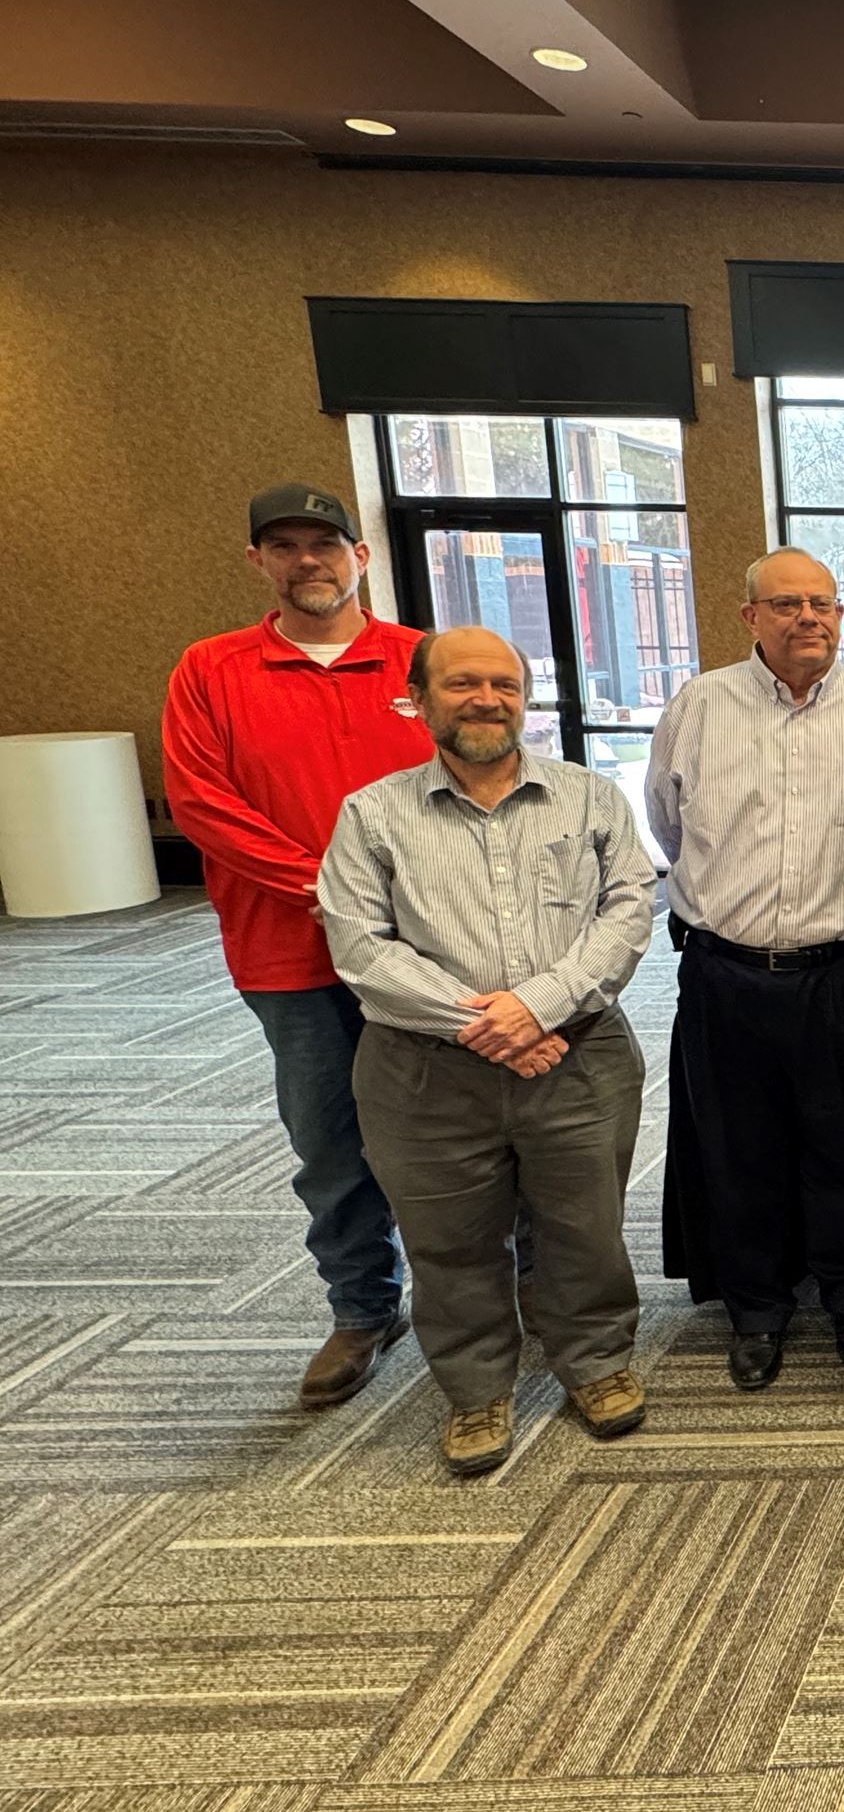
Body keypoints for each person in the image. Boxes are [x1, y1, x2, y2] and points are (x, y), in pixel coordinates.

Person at [318, 626, 656, 1477]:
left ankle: (596, 1362)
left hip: (576, 1055)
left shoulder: (590, 798)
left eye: (504, 685)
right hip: (424, 1069)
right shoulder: (373, 813)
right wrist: (485, 1023)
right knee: (449, 1238)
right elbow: (360, 946)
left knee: (585, 1226)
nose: (486, 700)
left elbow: (627, 913)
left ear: (526, 698)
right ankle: (476, 1391)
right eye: (463, 684)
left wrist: (538, 1007)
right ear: (420, 698)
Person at [162, 483, 428, 1410]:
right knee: (330, 1140)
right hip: (292, 955)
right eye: (286, 546)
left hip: (431, 954)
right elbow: (201, 805)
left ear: (361, 556)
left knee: (467, 1131)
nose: (309, 561)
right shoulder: (212, 670)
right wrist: (321, 886)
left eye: (327, 543)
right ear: (258, 562)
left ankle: (503, 1295)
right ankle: (363, 1308)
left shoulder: (422, 662)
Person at [649, 548, 844, 1391]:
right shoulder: (698, 706)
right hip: (725, 974)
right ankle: (755, 1309)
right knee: (737, 1149)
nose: (810, 620)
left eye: (824, 605)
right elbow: (668, 827)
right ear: (749, 616)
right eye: (788, 604)